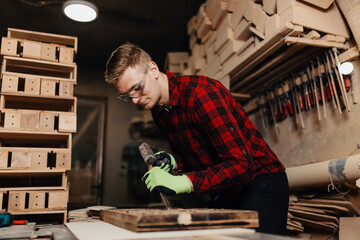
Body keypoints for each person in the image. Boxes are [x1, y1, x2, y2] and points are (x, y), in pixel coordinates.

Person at [105, 42, 289, 235]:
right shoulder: (159, 111)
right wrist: (174, 161)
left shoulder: (201, 94)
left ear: (153, 69)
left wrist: (184, 182)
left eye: (137, 88)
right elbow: (199, 153)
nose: (135, 100)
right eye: (126, 96)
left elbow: (242, 165)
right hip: (227, 188)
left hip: (261, 182)